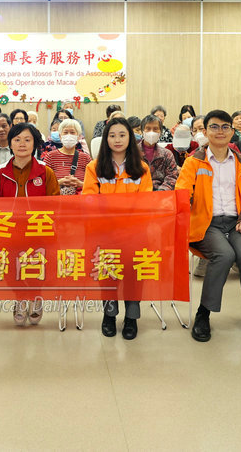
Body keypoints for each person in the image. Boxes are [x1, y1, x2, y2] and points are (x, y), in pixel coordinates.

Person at [176, 110, 241, 344]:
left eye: (224, 127)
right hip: (206, 224)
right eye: (214, 127)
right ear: (205, 131)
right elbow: (181, 193)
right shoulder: (194, 162)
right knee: (224, 255)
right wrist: (186, 203)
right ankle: (204, 313)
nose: (219, 131)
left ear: (232, 131)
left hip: (237, 223)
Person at [82, 117, 153, 340]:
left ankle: (131, 317)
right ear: (106, 139)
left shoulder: (141, 168)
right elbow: (89, 199)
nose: (117, 139)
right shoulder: (94, 167)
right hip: (105, 231)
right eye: (112, 135)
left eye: (122, 135)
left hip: (134, 231)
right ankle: (109, 315)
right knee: (107, 272)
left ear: (130, 138)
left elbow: (146, 202)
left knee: (134, 273)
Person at [0, 123, 60, 325]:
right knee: (9, 265)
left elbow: (55, 206)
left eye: (27, 140)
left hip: (39, 230)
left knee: (37, 264)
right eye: (17, 139)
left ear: (34, 144)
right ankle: (20, 298)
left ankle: (36, 296)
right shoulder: (0, 173)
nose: (22, 144)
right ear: (10, 143)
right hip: (9, 232)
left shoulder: (46, 172)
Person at [43, 118, 92, 195]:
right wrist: (59, 182)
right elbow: (42, 182)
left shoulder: (86, 158)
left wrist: (80, 184)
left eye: (72, 132)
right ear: (60, 136)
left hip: (81, 198)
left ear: (78, 137)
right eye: (65, 132)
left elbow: (94, 183)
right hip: (57, 199)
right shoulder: (50, 157)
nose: (69, 135)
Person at [140, 114, 179, 191]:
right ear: (142, 131)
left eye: (155, 129)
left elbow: (172, 177)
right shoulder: (133, 153)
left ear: (160, 132)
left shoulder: (167, 154)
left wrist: (160, 192)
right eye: (148, 129)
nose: (151, 132)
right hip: (138, 193)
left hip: (161, 194)